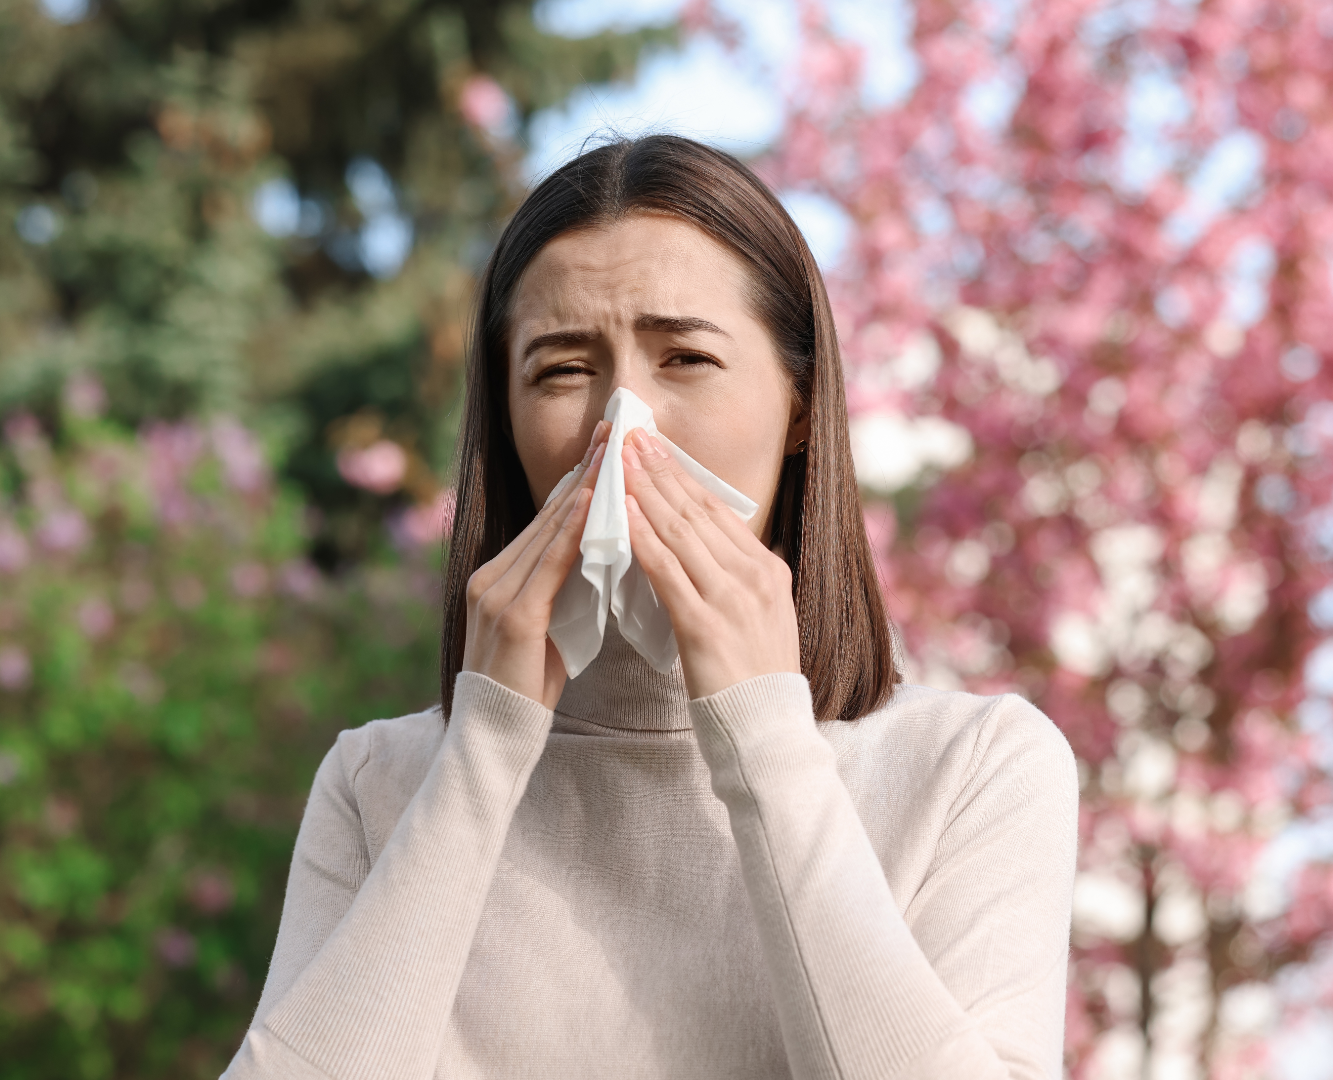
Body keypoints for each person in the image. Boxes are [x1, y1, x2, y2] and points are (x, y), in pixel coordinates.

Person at [222, 135, 1077, 1080]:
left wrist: (763, 732)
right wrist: (485, 745)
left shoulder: (972, 769)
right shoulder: (376, 783)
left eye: (686, 358)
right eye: (559, 370)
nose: (621, 423)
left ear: (798, 405)